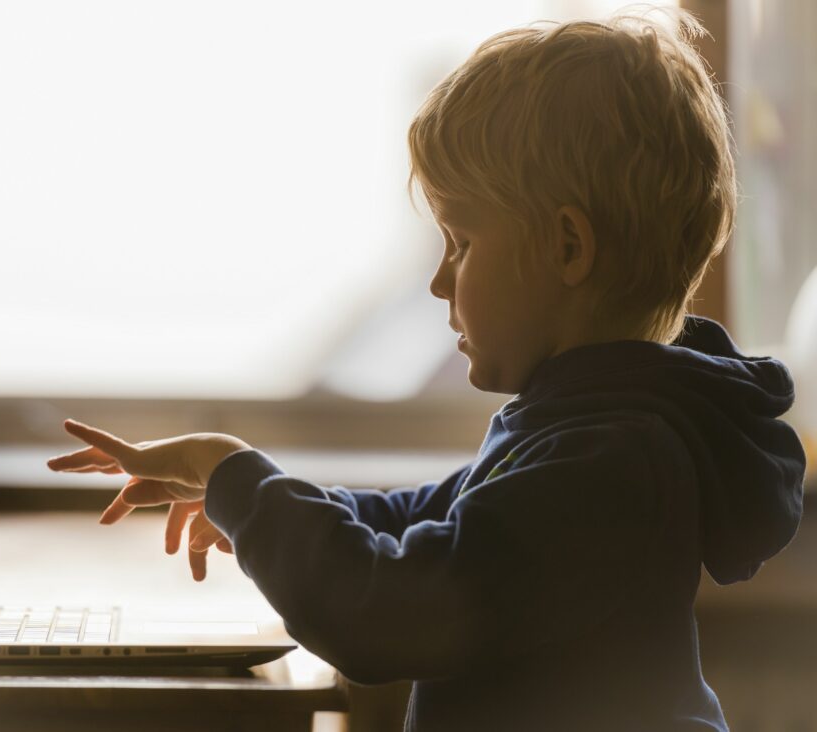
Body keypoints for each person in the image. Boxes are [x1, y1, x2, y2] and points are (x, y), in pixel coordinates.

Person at [46, 5, 808, 730]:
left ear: (568, 248)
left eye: (462, 243)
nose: (441, 281)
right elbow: (422, 519)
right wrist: (247, 499)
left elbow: (386, 616)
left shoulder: (611, 463)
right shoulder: (583, 425)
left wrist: (239, 482)